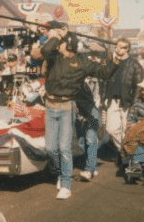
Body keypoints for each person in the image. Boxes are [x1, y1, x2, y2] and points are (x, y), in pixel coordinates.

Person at [40, 25, 118, 199]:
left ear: (67, 45)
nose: (58, 46)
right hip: (50, 106)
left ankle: (66, 184)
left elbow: (104, 72)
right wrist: (56, 36)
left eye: (61, 43)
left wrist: (116, 58)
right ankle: (61, 173)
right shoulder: (54, 58)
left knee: (64, 147)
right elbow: (45, 50)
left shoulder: (82, 61)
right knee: (51, 149)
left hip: (67, 106)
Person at [101, 38, 144, 162]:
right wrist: (103, 98)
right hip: (112, 101)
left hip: (127, 102)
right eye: (116, 47)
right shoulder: (111, 63)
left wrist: (135, 104)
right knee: (112, 129)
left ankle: (128, 157)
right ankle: (125, 151)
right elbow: (104, 80)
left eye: (121, 47)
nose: (117, 49)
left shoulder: (134, 64)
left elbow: (139, 86)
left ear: (127, 49)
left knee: (127, 129)